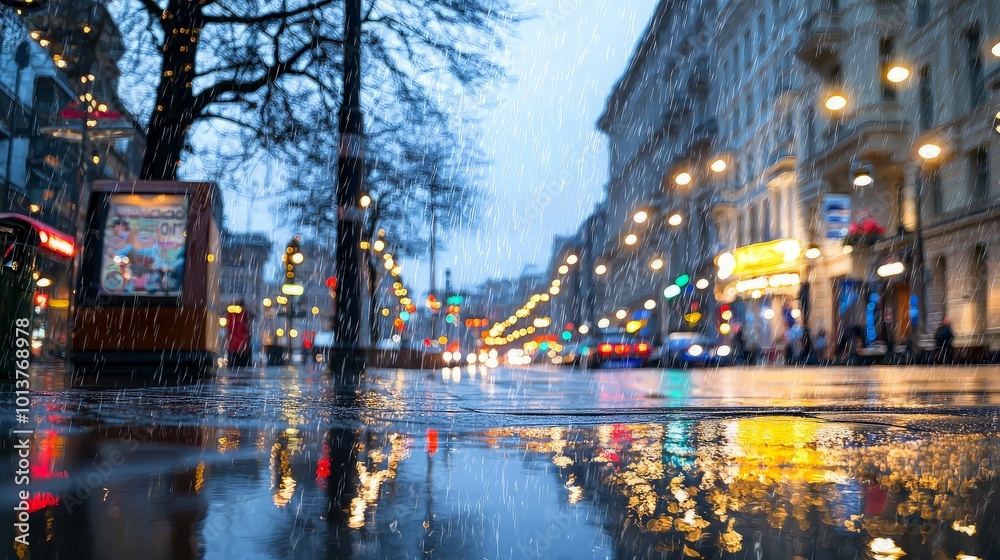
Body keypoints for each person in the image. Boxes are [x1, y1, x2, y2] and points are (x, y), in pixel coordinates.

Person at [226, 300, 252, 368]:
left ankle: (234, 362)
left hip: (235, 339)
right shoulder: (244, 313)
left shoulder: (231, 313)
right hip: (240, 339)